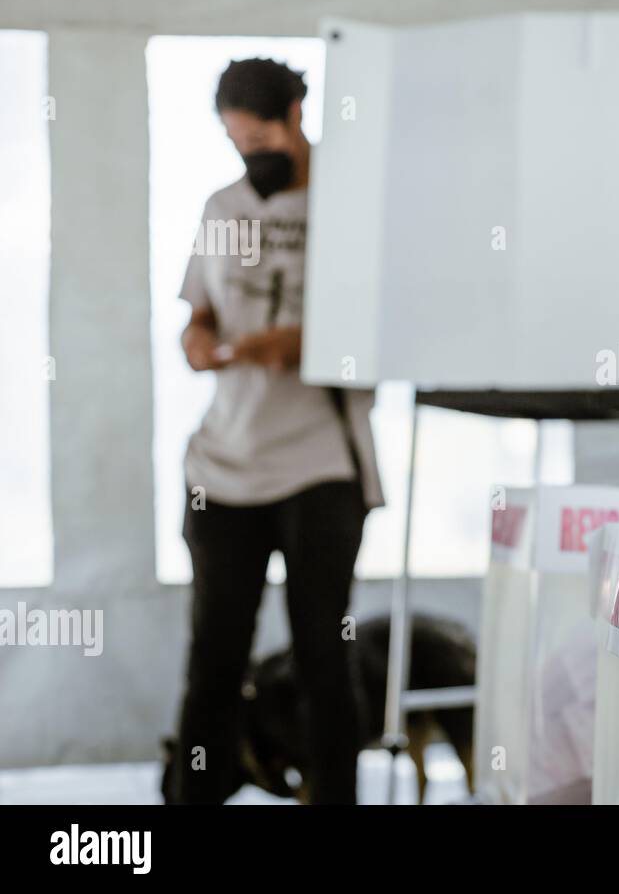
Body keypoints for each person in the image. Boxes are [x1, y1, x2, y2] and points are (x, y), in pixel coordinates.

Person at [170, 58, 384, 803]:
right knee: (216, 653)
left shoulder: (355, 204)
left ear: (296, 112)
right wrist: (199, 341)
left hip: (322, 463)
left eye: (259, 136)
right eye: (236, 141)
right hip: (225, 465)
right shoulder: (223, 208)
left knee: (326, 652)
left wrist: (300, 346)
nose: (249, 154)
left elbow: (384, 330)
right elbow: (198, 311)